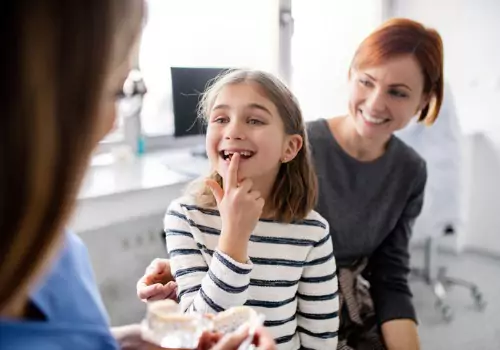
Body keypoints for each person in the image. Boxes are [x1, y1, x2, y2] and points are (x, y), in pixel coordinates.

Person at [138, 18, 444, 350]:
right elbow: (204, 322)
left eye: (398, 92)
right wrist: (189, 266)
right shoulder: (279, 150)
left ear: (424, 100)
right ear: (350, 76)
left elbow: (389, 276)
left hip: (337, 310)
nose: (374, 103)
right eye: (367, 82)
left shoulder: (407, 172)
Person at [0, 1, 274, 349]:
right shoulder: (182, 216)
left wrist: (123, 342)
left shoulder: (57, 245)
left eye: (255, 120)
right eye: (116, 89)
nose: (115, 121)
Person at [159, 69, 339, 350]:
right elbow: (197, 336)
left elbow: (321, 339)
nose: (232, 131)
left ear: (290, 147)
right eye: (221, 119)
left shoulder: (312, 232)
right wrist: (234, 237)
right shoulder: (185, 217)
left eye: (254, 120)